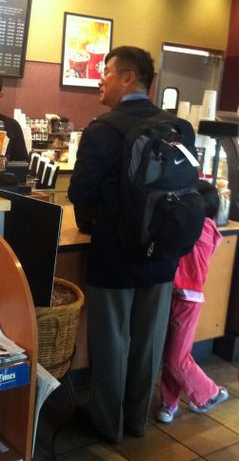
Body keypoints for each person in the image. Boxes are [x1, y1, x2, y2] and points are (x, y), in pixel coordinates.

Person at [68, 46, 197, 443]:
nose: (100, 79)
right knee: (148, 342)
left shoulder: (103, 129)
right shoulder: (180, 129)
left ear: (127, 78)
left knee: (111, 342)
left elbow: (80, 191)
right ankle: (138, 420)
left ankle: (108, 425)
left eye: (106, 72)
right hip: (163, 256)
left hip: (115, 255)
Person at [157, 180, 228, 423]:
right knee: (170, 354)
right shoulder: (200, 227)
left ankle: (209, 393)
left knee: (177, 357)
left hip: (188, 299)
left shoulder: (202, 230)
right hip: (178, 293)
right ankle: (169, 402)